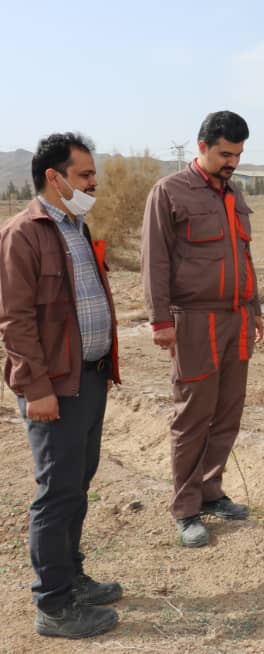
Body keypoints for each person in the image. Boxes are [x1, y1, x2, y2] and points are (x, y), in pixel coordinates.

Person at [0, 133, 122, 638]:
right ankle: (53, 604)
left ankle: (71, 577)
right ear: (54, 177)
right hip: (54, 388)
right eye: (85, 175)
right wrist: (36, 389)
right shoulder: (23, 234)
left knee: (78, 484)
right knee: (56, 492)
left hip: (90, 379)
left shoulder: (76, 226)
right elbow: (14, 320)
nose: (93, 184)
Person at [141, 111, 264, 548]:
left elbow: (243, 259)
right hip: (194, 322)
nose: (232, 162)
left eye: (238, 154)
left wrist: (255, 309)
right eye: (225, 154)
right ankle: (186, 508)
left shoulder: (233, 195)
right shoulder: (170, 192)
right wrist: (159, 320)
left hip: (236, 319)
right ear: (202, 147)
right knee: (193, 416)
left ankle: (212, 492)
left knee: (228, 411)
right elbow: (154, 260)